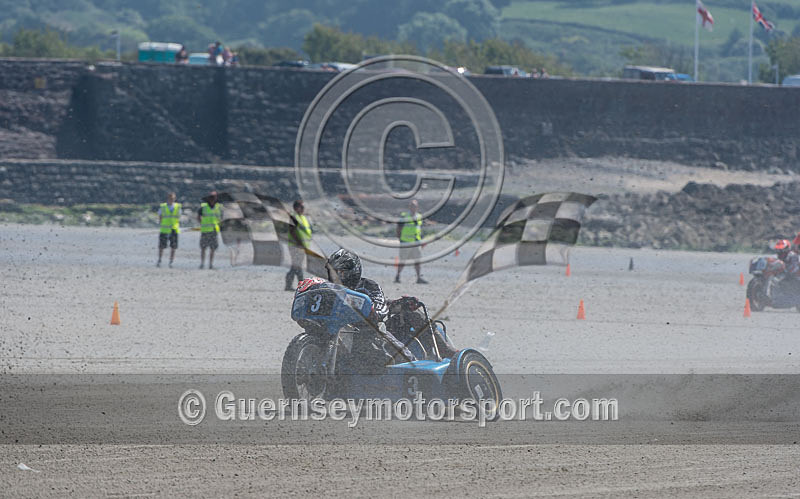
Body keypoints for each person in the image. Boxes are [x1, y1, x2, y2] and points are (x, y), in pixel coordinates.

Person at [326, 249, 456, 363]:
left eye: (340, 272)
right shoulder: (327, 289)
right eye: (333, 272)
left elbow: (380, 309)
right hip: (336, 333)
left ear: (353, 272)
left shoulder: (368, 286)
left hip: (368, 334)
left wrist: (375, 312)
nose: (336, 277)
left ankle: (437, 355)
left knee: (412, 316)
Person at [395, 199, 428, 284]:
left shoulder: (419, 217)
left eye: (415, 206)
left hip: (416, 242)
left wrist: (422, 240)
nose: (413, 208)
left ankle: (418, 278)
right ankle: (398, 276)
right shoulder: (404, 216)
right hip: (405, 242)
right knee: (403, 260)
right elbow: (398, 228)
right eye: (412, 206)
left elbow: (419, 229)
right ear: (409, 207)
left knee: (417, 260)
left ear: (417, 207)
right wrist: (400, 239)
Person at [285, 200, 312, 291]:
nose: (304, 209)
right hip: (295, 245)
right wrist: (299, 243)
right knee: (297, 265)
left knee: (296, 265)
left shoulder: (302, 217)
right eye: (302, 207)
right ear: (297, 208)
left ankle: (294, 285)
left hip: (302, 246)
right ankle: (301, 285)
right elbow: (292, 231)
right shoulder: (294, 217)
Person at [198, 191, 222, 269]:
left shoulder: (218, 207)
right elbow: (199, 216)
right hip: (205, 230)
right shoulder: (203, 207)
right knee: (203, 248)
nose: (212, 199)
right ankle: (202, 263)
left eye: (214, 198)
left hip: (214, 230)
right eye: (211, 198)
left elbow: (220, 217)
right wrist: (201, 222)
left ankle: (210, 264)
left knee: (212, 248)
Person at [157, 192, 181, 267]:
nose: (171, 200)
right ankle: (160, 260)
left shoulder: (178, 206)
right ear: (168, 198)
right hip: (164, 229)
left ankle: (171, 261)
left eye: (173, 198)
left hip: (174, 229)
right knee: (161, 246)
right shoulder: (163, 206)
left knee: (173, 246)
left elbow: (178, 217)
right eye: (170, 198)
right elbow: (160, 217)